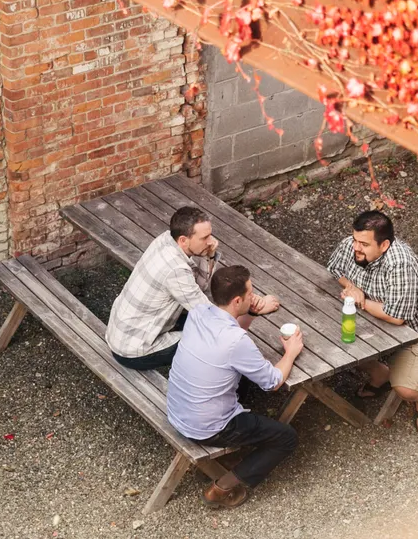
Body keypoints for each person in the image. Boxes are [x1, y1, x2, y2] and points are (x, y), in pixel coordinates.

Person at [166, 265, 304, 509]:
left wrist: (251, 313)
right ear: (238, 299)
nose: (254, 296)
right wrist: (291, 353)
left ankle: (238, 450)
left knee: (240, 377)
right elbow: (272, 382)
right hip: (207, 427)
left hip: (178, 411)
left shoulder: (199, 312)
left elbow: (228, 339)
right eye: (250, 293)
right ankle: (222, 487)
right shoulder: (237, 342)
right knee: (286, 438)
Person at [107, 206, 280, 370]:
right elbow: (211, 320)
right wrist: (251, 309)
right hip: (135, 349)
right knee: (213, 344)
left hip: (122, 332)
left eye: (210, 235)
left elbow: (200, 286)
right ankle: (235, 391)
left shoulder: (167, 239)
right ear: (183, 240)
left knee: (204, 321)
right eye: (205, 238)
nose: (212, 241)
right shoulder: (175, 270)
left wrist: (209, 254)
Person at [326, 211, 418, 435]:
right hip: (377, 315)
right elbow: (334, 268)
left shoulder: (400, 263)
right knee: (329, 337)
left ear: (383, 245)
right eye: (355, 239)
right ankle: (380, 374)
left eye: (363, 243)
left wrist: (361, 300)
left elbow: (396, 316)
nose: (355, 247)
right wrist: (352, 288)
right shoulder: (352, 244)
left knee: (407, 389)